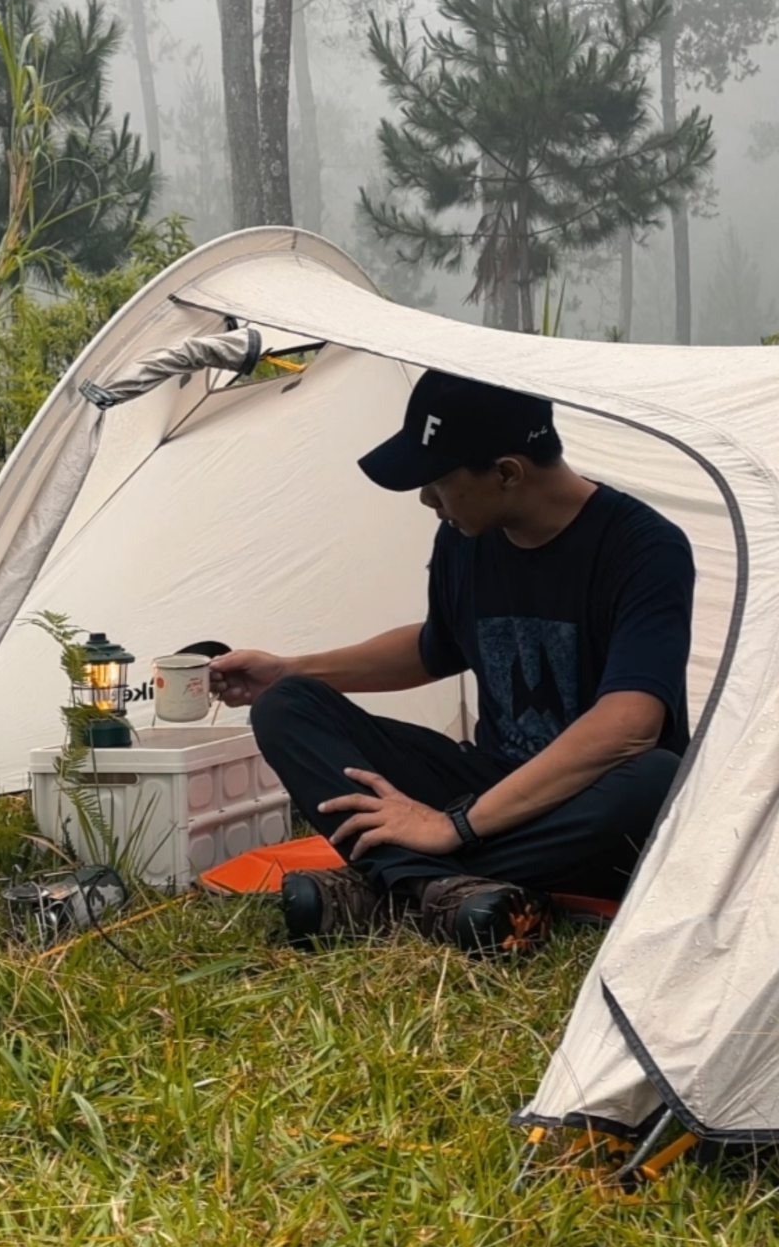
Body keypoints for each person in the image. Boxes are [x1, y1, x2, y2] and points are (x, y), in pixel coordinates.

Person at [211, 371, 693, 957]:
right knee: (288, 704)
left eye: (437, 482)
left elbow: (630, 723)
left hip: (588, 803)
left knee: (656, 781)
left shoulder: (644, 546)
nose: (425, 500)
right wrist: (289, 669)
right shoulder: (465, 537)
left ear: (508, 473)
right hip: (487, 782)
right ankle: (438, 892)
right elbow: (435, 648)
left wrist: (453, 827)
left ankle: (389, 888)